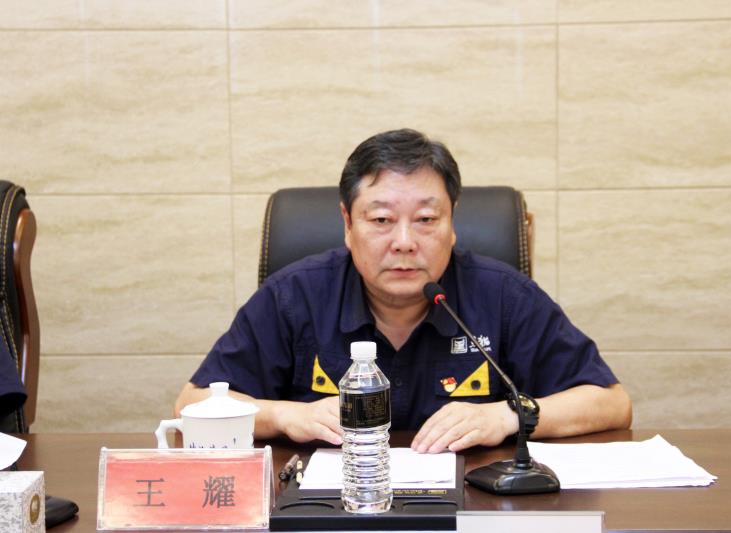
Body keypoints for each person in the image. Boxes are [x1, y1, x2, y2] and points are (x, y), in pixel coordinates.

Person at [176, 128, 632, 453]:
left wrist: (506, 416)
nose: (405, 242)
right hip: (329, 512)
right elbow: (191, 404)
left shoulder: (504, 296)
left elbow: (611, 403)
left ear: (452, 223)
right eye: (381, 220)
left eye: (426, 219)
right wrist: (285, 415)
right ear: (347, 224)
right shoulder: (294, 296)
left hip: (472, 511)